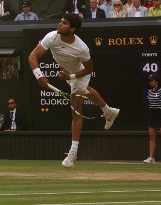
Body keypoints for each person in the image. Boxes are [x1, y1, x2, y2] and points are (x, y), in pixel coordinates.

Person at [28, 12, 120, 168]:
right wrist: (39, 76)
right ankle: (108, 111)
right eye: (60, 21)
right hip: (68, 73)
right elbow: (32, 56)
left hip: (79, 73)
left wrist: (70, 76)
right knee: (87, 91)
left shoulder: (81, 48)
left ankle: (73, 153)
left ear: (72, 29)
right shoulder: (51, 37)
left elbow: (90, 68)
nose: (59, 24)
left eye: (64, 23)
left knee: (76, 110)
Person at [142, 74, 161, 164]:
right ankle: (151, 158)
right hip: (152, 114)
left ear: (156, 81)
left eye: (152, 80)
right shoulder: (149, 92)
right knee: (151, 137)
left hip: (160, 114)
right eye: (149, 80)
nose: (150, 82)